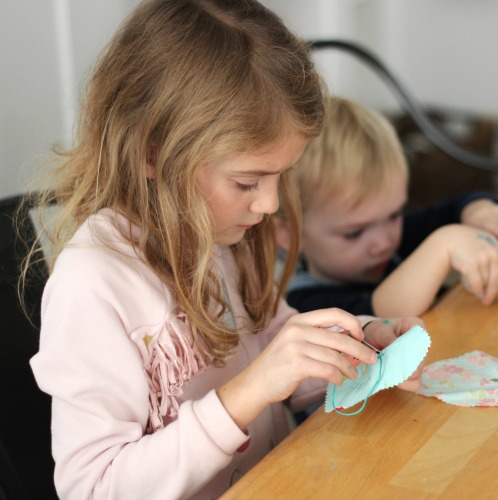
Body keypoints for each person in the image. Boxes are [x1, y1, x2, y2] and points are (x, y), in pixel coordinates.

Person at [23, 1, 423, 498]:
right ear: (153, 152)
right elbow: (92, 486)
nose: (272, 202)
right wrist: (252, 390)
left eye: (280, 176)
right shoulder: (93, 285)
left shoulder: (218, 233)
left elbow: (276, 356)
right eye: (248, 181)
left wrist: (361, 346)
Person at [273, 97, 498, 317]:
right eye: (354, 233)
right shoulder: (303, 306)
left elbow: (455, 209)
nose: (383, 242)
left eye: (394, 215)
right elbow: (381, 314)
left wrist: (480, 210)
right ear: (289, 233)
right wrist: (443, 245)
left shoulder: (387, 237)